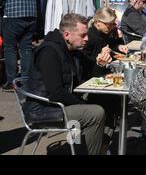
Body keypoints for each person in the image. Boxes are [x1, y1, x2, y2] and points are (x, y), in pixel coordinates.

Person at [24, 14, 105, 155]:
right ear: (67, 35)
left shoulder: (71, 49)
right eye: (83, 35)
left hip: (58, 105)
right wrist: (81, 104)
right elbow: (56, 93)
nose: (87, 38)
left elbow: (89, 71)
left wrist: (100, 63)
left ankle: (96, 148)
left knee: (105, 101)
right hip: (43, 110)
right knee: (96, 113)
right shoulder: (49, 52)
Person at [0, 0, 37, 91]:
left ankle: (11, 81)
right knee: (26, 48)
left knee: (10, 48)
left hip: (13, 14)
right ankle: (26, 80)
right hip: (31, 14)